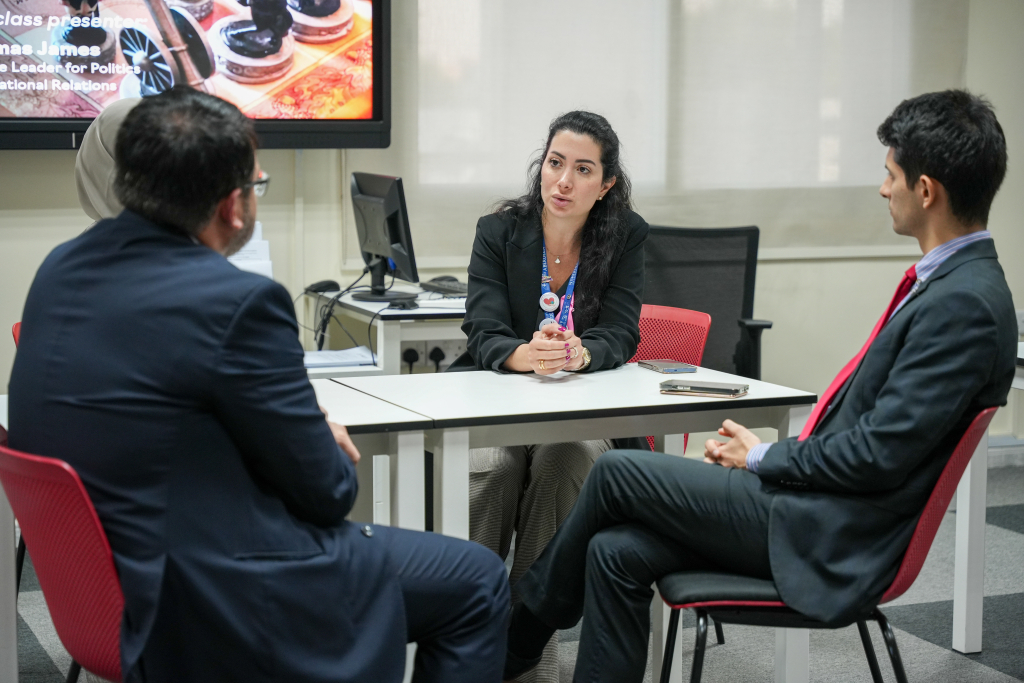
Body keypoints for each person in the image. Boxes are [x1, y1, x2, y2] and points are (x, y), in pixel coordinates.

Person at [502, 89, 1018, 682]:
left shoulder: (964, 305)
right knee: (614, 552)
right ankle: (520, 636)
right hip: (815, 504)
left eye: (890, 174)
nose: (882, 189)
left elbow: (878, 454)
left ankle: (515, 637)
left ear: (925, 191)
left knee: (618, 473)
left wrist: (765, 457)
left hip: (828, 532)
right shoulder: (956, 286)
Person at [8, 88, 509, 683]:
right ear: (233, 206)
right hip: (221, 596)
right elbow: (328, 493)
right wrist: (317, 435)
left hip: (110, 585)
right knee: (478, 580)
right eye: (256, 184)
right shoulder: (237, 301)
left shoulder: (60, 271)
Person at [447, 110, 648, 682]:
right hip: (501, 406)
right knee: (492, 466)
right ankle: (467, 634)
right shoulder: (498, 232)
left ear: (605, 185)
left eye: (583, 169)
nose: (563, 180)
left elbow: (622, 331)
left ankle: (526, 648)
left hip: (581, 413)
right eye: (556, 163)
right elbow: (482, 329)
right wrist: (525, 355)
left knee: (565, 462)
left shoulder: (626, 234)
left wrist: (579, 353)